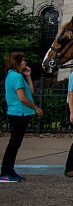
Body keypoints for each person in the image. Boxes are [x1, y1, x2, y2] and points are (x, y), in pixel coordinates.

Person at [3, 53, 44, 182]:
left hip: (17, 113)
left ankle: (9, 170)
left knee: (15, 144)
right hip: (19, 113)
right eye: (23, 60)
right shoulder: (16, 76)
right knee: (14, 144)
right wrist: (36, 108)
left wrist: (28, 76)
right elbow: (22, 98)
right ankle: (6, 171)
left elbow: (30, 92)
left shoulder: (14, 76)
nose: (26, 62)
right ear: (17, 62)